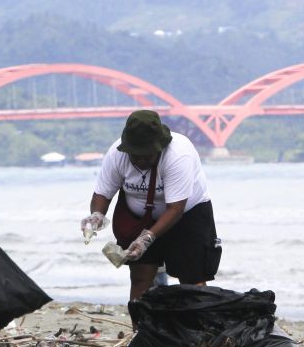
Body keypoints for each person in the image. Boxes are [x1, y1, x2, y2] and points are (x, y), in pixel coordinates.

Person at [81, 110, 221, 303]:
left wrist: (146, 238)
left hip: (187, 214)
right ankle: (141, 329)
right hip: (140, 217)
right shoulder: (116, 154)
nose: (140, 160)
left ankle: (197, 327)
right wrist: (96, 215)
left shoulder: (179, 155)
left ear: (159, 147)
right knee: (140, 276)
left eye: (146, 155)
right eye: (135, 155)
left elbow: (175, 209)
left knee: (191, 279)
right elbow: (102, 193)